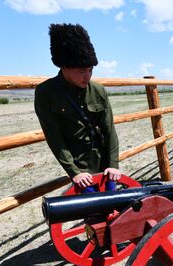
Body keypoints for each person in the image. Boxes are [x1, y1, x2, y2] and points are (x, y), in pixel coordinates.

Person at [35, 23, 121, 192]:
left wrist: (113, 165)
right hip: (79, 170)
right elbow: (55, 138)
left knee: (114, 209)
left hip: (105, 166)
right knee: (92, 213)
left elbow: (109, 130)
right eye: (82, 71)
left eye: (90, 70)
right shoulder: (46, 93)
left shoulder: (98, 91)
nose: (87, 76)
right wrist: (74, 172)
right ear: (63, 66)